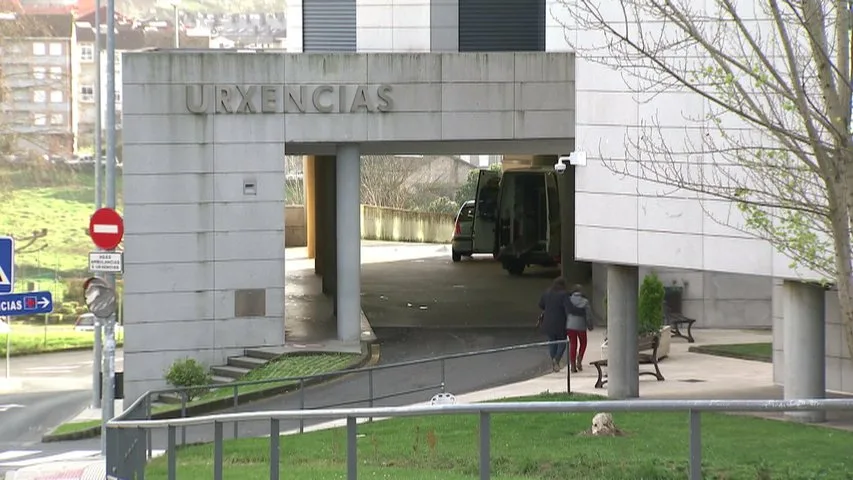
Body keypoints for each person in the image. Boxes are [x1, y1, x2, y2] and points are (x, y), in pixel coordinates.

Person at [538, 277, 569, 372]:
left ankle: (553, 361)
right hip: (560, 322)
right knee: (562, 342)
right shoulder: (564, 295)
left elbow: (540, 305)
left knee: (552, 342)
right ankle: (557, 359)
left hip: (548, 322)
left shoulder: (547, 292)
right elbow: (567, 308)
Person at [565, 284, 594, 373]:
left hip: (570, 326)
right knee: (583, 343)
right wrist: (590, 325)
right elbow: (589, 315)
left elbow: (565, 312)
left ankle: (572, 364)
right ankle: (579, 359)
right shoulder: (585, 301)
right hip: (581, 326)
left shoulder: (568, 300)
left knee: (573, 344)